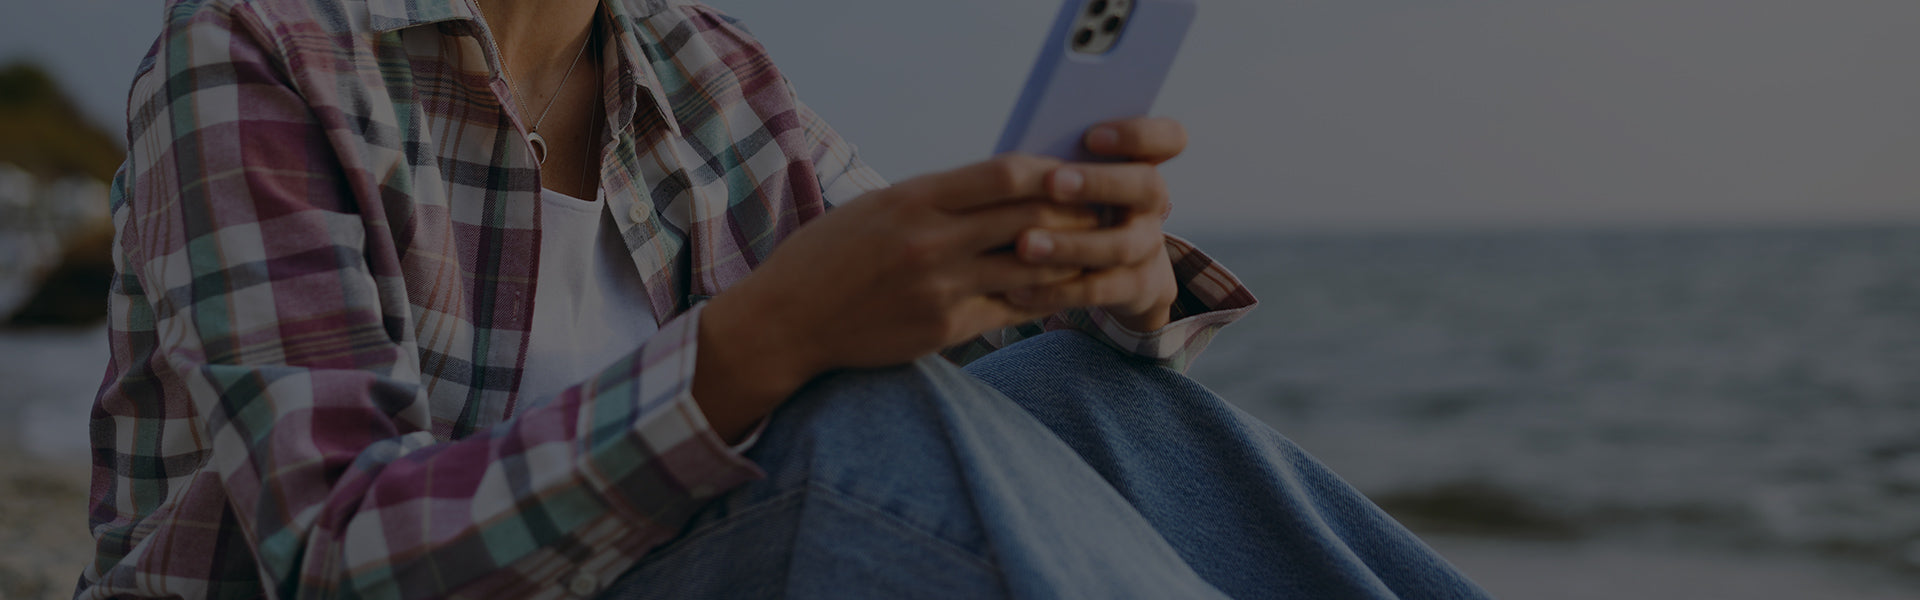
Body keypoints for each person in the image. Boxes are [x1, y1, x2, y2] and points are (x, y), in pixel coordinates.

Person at [78, 0, 1489, 598]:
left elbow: (935, 297)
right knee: (855, 433)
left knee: (1070, 388)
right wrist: (761, 343)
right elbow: (333, 554)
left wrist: (1096, 279)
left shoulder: (700, 68)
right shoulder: (254, 49)